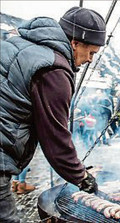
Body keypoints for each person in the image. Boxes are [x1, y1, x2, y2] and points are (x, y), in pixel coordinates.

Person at [0, 6, 106, 222]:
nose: (90, 60)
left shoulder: (21, 44)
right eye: (91, 53)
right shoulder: (54, 70)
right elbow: (56, 139)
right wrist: (82, 177)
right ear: (75, 43)